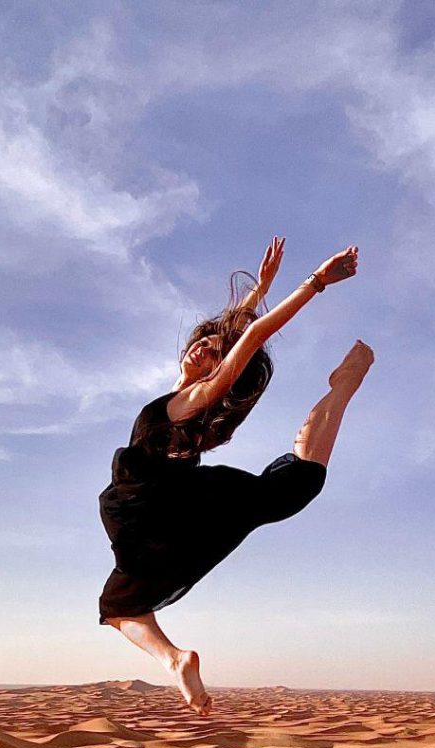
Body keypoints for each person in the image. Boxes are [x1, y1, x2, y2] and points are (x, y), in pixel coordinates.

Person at [98, 237, 374, 715]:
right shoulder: (182, 399)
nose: (201, 348)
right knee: (120, 604)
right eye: (199, 342)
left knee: (119, 605)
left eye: (211, 352)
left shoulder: (194, 400)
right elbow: (235, 330)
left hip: (152, 513)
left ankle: (174, 661)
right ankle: (173, 660)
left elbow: (249, 341)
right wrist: (257, 290)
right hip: (161, 514)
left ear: (217, 368)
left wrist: (315, 284)